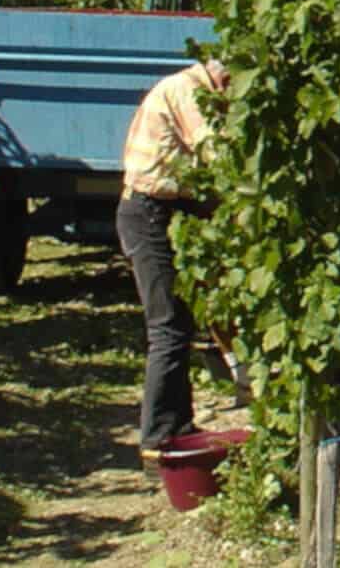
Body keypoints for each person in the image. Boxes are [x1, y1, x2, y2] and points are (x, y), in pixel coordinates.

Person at [117, 58, 229, 456]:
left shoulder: (194, 88)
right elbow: (215, 153)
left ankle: (179, 424)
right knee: (167, 327)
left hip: (166, 211)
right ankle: (157, 436)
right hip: (147, 214)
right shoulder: (187, 90)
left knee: (180, 322)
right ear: (223, 75)